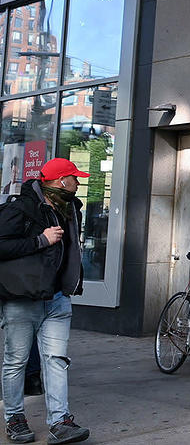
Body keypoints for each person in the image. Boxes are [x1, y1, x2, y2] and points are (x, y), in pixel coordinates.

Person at [0, 158, 91, 444]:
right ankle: (15, 418)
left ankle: (60, 422)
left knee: (56, 361)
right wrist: (41, 240)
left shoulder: (70, 209)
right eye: (74, 178)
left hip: (57, 299)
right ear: (60, 181)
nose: (78, 183)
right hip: (21, 297)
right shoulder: (22, 208)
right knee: (16, 361)